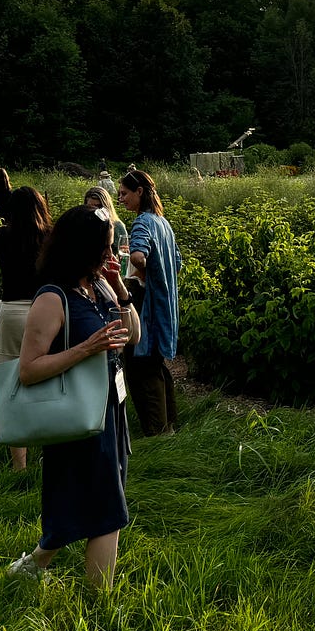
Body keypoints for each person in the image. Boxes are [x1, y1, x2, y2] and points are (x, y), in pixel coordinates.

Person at [6, 205, 140, 587]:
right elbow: (28, 370)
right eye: (106, 249)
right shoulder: (52, 298)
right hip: (77, 414)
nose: (112, 257)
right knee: (108, 512)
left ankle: (32, 566)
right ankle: (101, 608)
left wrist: (121, 291)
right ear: (82, 249)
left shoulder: (97, 286)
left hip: (109, 410)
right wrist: (84, 349)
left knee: (83, 501)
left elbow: (133, 337)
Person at [0, 186, 53, 472]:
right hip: (44, 310)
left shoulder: (2, 237)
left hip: (13, 310)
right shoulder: (50, 237)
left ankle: (19, 464)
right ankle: (53, 445)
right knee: (49, 377)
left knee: (11, 385)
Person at [117, 169, 182, 436]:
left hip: (148, 304)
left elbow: (138, 257)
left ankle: (157, 432)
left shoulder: (142, 222)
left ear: (139, 192)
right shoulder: (162, 222)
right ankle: (170, 425)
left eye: (124, 194)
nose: (121, 199)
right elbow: (177, 262)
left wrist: (142, 272)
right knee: (157, 364)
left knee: (142, 367)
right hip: (166, 303)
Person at [84, 186, 129, 257]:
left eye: (98, 206)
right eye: (90, 207)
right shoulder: (83, 225)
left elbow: (123, 254)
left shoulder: (117, 226)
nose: (94, 211)